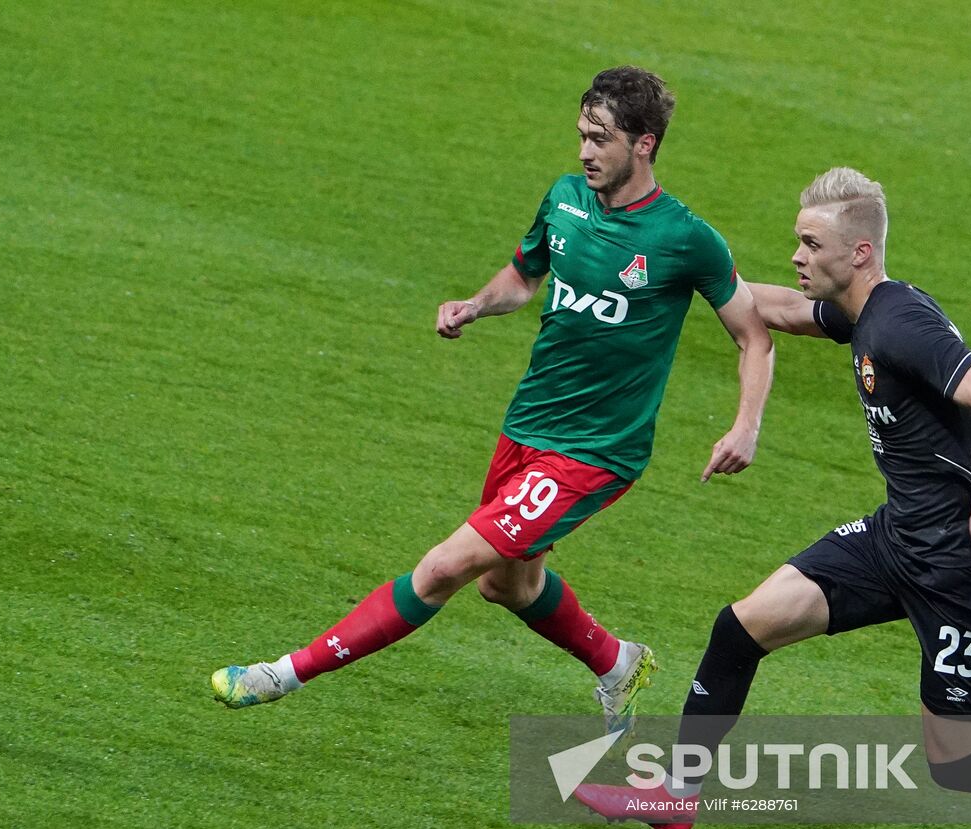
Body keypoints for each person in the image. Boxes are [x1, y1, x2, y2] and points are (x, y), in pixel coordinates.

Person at [575, 167, 971, 829]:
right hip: (894, 540)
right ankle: (677, 795)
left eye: (810, 243)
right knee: (744, 624)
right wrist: (687, 269)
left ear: (859, 253)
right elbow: (775, 309)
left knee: (956, 761)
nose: (798, 255)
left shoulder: (900, 323)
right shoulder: (856, 309)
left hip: (963, 567)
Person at [210, 66, 774, 735]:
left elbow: (754, 336)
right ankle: (616, 661)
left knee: (445, 565)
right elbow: (524, 275)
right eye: (581, 135)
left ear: (644, 144)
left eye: (600, 138)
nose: (585, 151)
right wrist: (476, 305)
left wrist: (746, 426)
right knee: (506, 584)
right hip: (528, 425)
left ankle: (283, 672)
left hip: (596, 449)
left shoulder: (685, 239)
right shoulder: (564, 200)